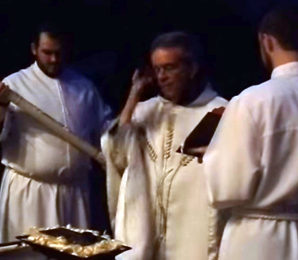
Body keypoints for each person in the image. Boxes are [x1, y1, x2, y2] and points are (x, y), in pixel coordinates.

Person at [0, 23, 111, 244]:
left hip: (74, 192)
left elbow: (105, 127)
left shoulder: (84, 87)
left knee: (75, 253)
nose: (54, 59)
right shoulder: (14, 85)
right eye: (47, 53)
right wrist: (1, 105)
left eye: (59, 53)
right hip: (31, 192)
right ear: (34, 49)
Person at [101, 31, 228, 260]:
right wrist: (134, 95)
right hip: (147, 237)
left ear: (192, 68)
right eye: (157, 69)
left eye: (169, 68)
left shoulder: (219, 113)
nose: (162, 77)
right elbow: (116, 153)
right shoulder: (146, 112)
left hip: (192, 235)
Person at [203, 7, 298, 260]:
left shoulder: (254, 100)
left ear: (266, 41)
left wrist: (215, 154)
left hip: (261, 238)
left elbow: (227, 188)